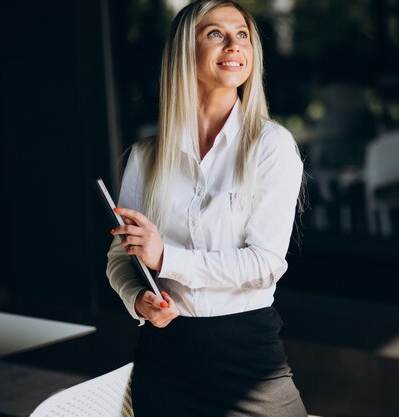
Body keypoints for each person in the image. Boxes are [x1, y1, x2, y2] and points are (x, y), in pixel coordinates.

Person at [106, 1, 306, 416]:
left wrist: (167, 258)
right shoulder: (146, 157)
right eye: (215, 33)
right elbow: (119, 257)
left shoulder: (271, 147)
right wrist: (138, 297)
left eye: (243, 34)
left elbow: (265, 264)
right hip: (165, 361)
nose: (234, 44)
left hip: (247, 359)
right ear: (184, 51)